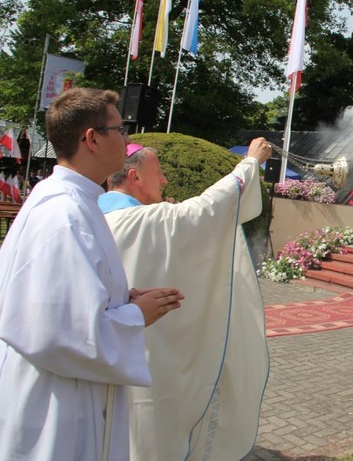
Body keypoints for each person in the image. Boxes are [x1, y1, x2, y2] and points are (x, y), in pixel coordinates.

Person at [0, 87, 183, 460]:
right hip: (58, 403)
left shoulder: (73, 201)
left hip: (61, 390)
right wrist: (135, 315)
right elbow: (58, 331)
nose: (127, 140)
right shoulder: (64, 214)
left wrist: (121, 298)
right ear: (92, 139)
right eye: (121, 131)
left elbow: (66, 297)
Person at [98, 138, 273, 460]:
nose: (164, 180)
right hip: (146, 355)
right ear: (135, 177)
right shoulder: (140, 220)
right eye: (159, 172)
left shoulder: (95, 216)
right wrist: (250, 162)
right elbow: (206, 211)